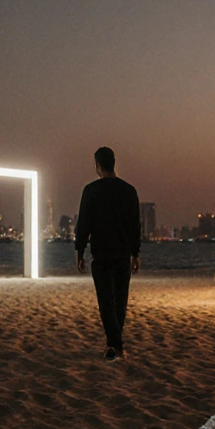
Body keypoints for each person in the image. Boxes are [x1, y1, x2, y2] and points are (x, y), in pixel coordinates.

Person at [75, 147, 141, 361]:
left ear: (98, 165)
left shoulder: (91, 191)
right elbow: (135, 226)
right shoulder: (129, 191)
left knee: (106, 302)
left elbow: (83, 223)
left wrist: (79, 251)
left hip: (102, 254)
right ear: (114, 163)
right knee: (120, 301)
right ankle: (115, 345)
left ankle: (115, 345)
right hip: (122, 254)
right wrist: (135, 253)